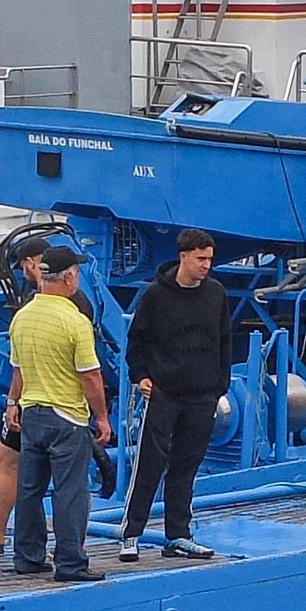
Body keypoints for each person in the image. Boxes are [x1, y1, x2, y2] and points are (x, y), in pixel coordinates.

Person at [0, 233, 85, 558]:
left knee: (21, 471)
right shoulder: (70, 305)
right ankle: (27, 547)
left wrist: (13, 402)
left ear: (32, 264)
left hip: (40, 403)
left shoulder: (36, 307)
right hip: (54, 406)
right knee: (45, 481)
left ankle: (6, 540)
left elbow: (22, 363)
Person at [114, 229, 232, 562]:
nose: (206, 265)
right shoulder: (155, 296)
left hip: (202, 395)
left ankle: (178, 535)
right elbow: (137, 341)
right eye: (200, 259)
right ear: (184, 257)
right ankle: (131, 533)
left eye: (209, 259)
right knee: (149, 463)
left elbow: (225, 340)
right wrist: (141, 376)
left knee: (187, 465)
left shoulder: (216, 294)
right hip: (164, 392)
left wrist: (218, 385)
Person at [7, 243, 115, 580]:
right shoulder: (75, 321)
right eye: (77, 273)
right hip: (66, 418)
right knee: (70, 493)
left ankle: (27, 556)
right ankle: (70, 563)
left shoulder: (21, 317)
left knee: (29, 490)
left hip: (32, 414)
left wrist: (12, 404)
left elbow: (18, 369)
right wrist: (101, 417)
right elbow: (90, 376)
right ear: (68, 278)